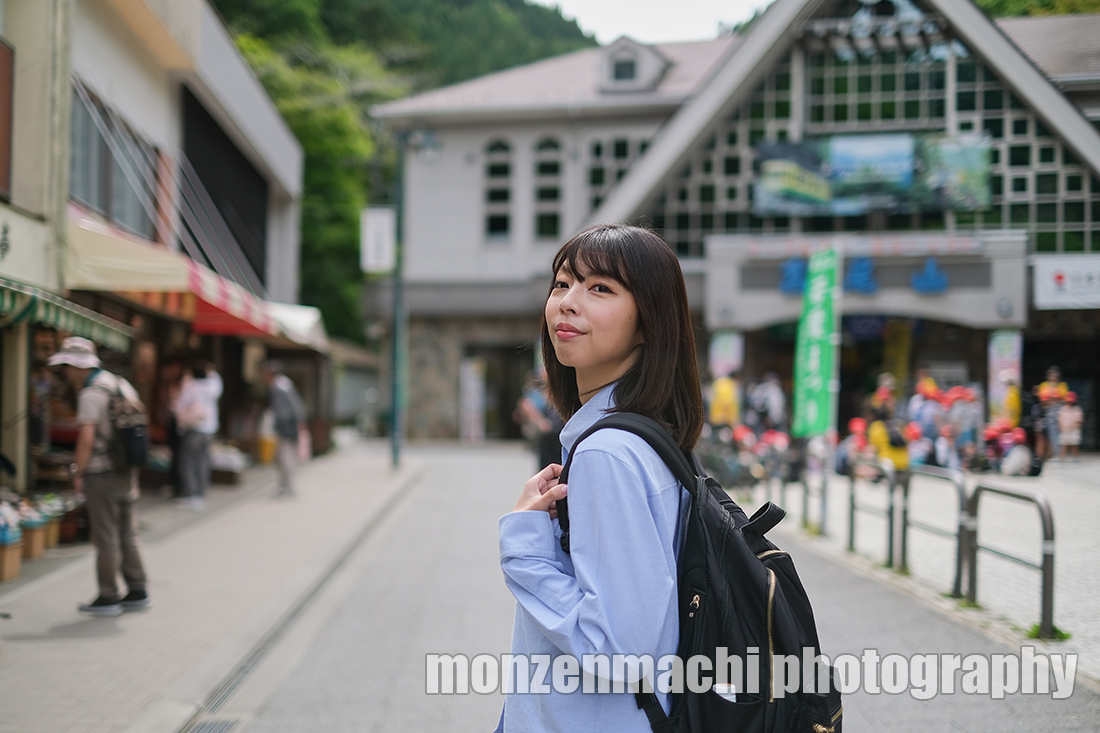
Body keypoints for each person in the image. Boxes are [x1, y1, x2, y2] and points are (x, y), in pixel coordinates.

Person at [496, 224, 703, 731]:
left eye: (601, 288)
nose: (567, 303)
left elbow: (620, 649)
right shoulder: (649, 436)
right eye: (562, 284)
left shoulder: (607, 454)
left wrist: (525, 548)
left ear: (648, 322)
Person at [48, 337, 149, 617]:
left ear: (76, 366)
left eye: (67, 365)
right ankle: (137, 589)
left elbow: (86, 439)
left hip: (102, 472)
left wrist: (77, 471)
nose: (66, 372)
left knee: (105, 535)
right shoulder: (120, 384)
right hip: (126, 469)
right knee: (128, 532)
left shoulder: (91, 394)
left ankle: (108, 595)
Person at [174, 361, 223, 511]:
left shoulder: (191, 386)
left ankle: (191, 494)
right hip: (209, 430)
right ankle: (201, 494)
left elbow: (180, 405)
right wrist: (211, 372)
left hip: (194, 428)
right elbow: (218, 382)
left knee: (188, 462)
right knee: (202, 462)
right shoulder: (212, 386)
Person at [264, 360, 307, 497]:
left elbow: (283, 411)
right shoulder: (285, 384)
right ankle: (284, 486)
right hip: (290, 426)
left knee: (284, 457)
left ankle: (287, 486)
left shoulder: (279, 388)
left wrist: (277, 426)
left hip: (286, 427)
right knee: (284, 457)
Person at [1038, 367, 1068, 461]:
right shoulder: (1044, 385)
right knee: (1050, 434)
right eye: (1051, 375)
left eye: (1055, 375)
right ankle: (1053, 454)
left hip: (1059, 412)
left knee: (1061, 434)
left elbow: (1063, 399)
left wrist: (1053, 398)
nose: (1053, 377)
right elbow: (1043, 399)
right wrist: (1053, 399)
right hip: (1047, 411)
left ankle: (1060, 454)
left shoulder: (1062, 385)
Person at [1058, 392, 1083, 462]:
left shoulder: (1077, 409)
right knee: (1064, 445)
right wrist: (1061, 427)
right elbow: (1060, 419)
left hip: (1074, 430)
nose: (1070, 403)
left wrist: (1076, 426)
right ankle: (1062, 456)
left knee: (1074, 444)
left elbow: (1079, 420)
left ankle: (1076, 456)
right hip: (1064, 430)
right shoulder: (1063, 409)